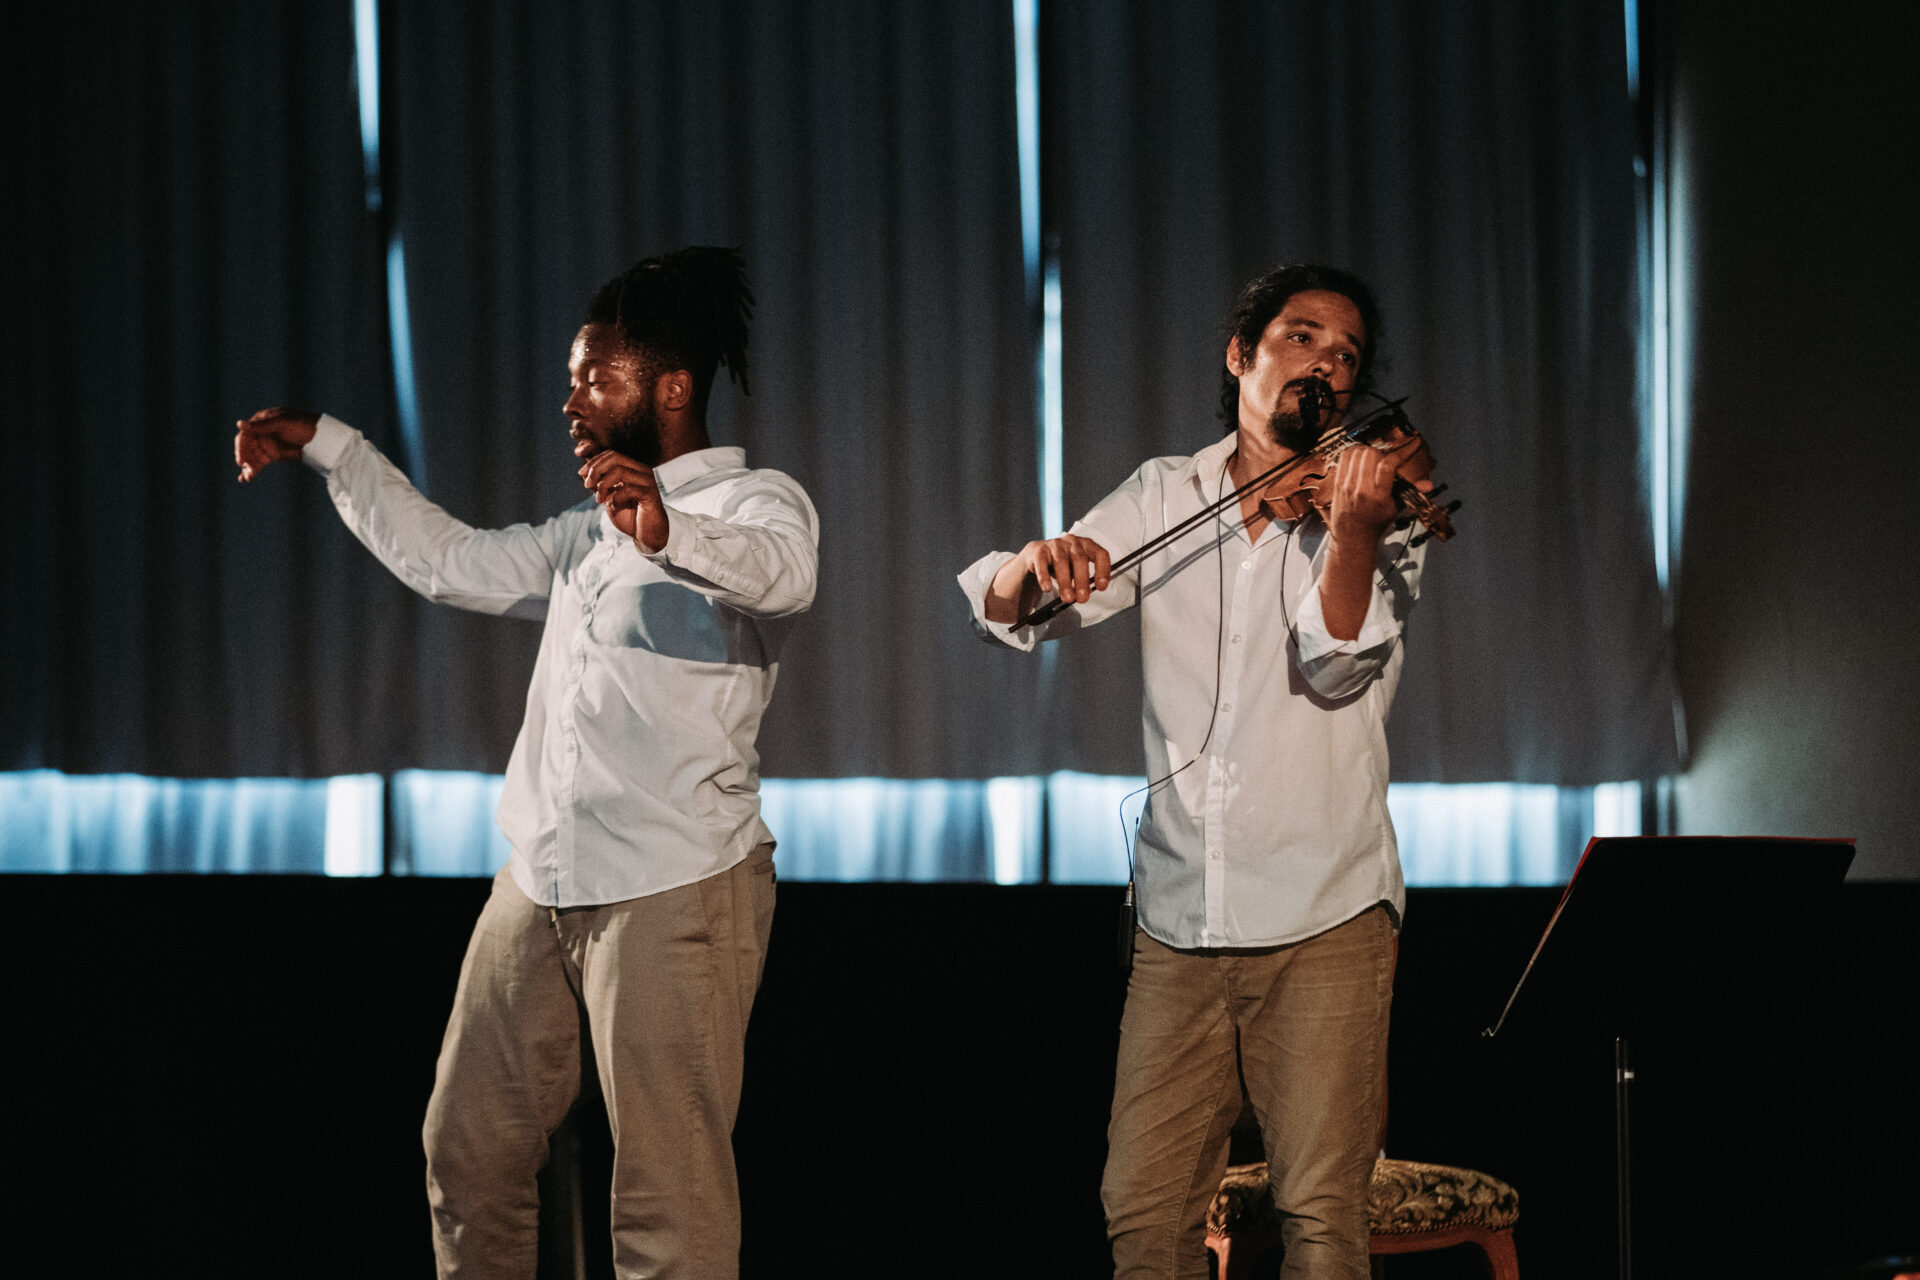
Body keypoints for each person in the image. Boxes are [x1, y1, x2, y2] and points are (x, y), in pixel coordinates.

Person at [234, 247, 818, 1279]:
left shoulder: (755, 504)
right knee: (467, 1152)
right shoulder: (581, 536)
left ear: (672, 388)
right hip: (541, 878)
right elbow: (450, 559)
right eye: (572, 377)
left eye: (598, 376)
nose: (572, 399)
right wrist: (333, 448)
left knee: (666, 1212)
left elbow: (786, 577)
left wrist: (667, 527)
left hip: (675, 887)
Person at [958, 264, 1426, 1279]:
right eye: (1302, 337)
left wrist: (1351, 529)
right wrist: (1033, 563)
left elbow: (1338, 663)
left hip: (1325, 912)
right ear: (1241, 356)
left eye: (1346, 355)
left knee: (1320, 1220)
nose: (1327, 364)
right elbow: (1014, 617)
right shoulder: (1164, 492)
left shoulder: (1386, 509)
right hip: (1179, 917)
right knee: (1143, 1207)